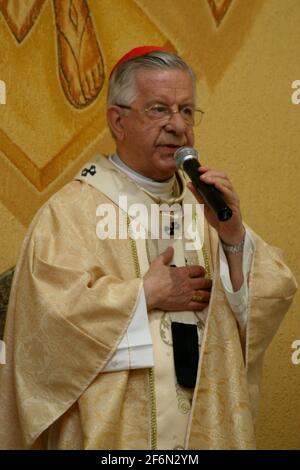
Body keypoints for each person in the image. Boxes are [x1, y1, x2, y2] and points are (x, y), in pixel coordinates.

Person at [0, 46, 297, 450]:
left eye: (187, 111)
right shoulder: (73, 212)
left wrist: (233, 237)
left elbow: (268, 296)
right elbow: (44, 328)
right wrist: (145, 294)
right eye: (159, 109)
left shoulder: (208, 208)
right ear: (117, 121)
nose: (178, 126)